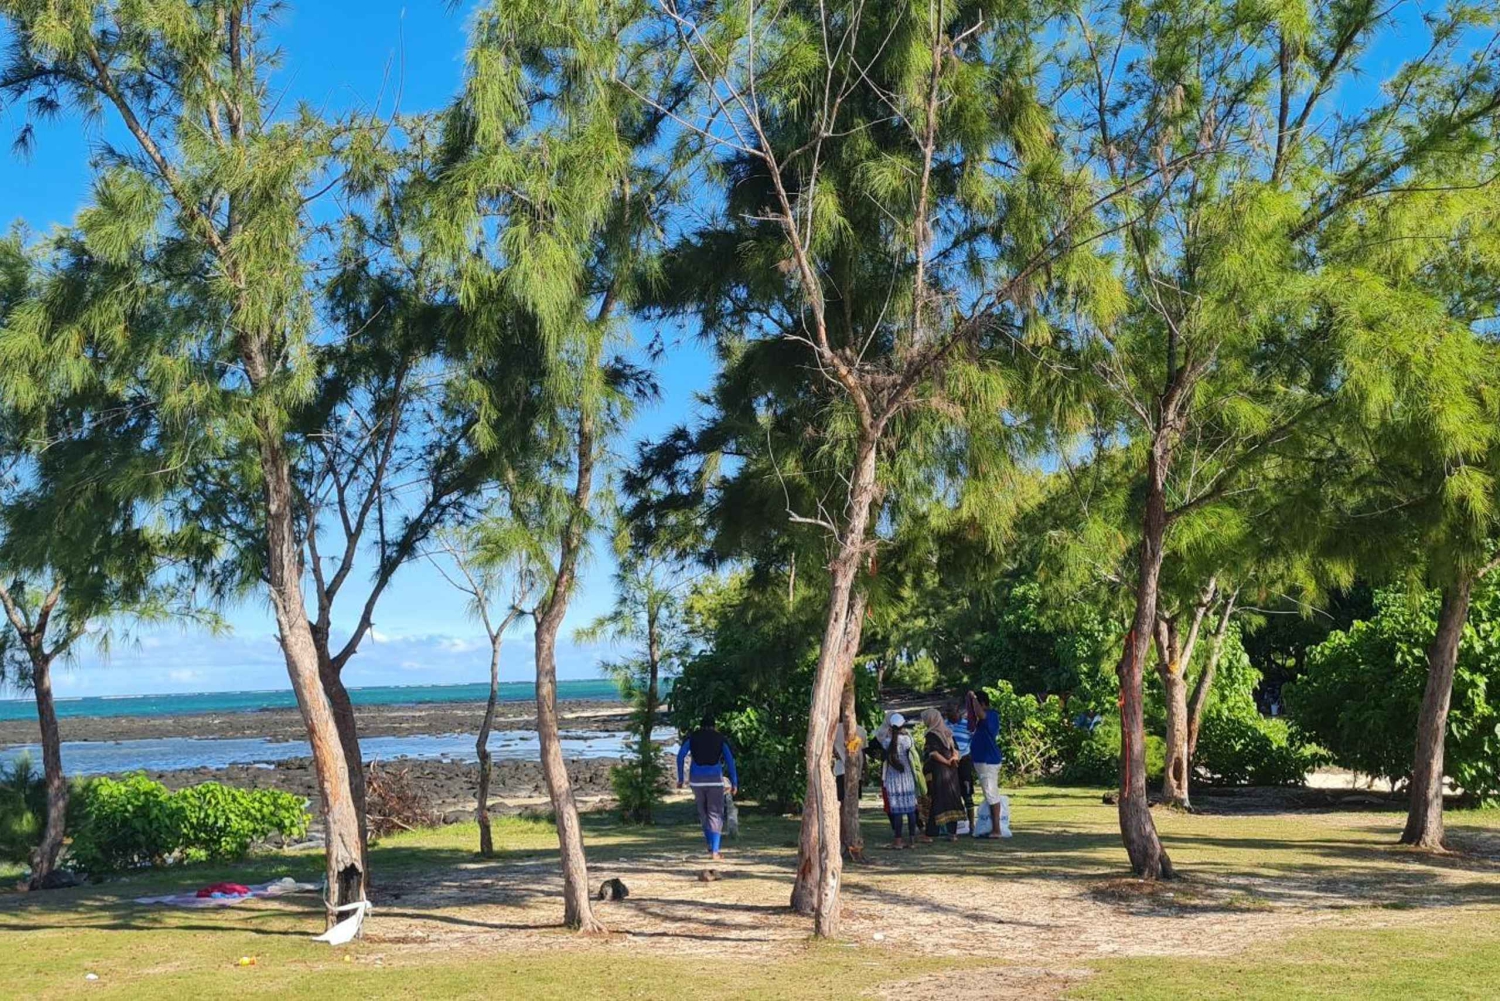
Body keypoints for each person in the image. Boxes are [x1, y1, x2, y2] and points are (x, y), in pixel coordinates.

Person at [677, 713, 739, 860]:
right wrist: (734, 782)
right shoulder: (720, 739)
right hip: (715, 781)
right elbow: (730, 761)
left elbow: (680, 756)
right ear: (714, 726)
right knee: (715, 814)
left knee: (703, 813)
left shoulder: (692, 738)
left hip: (696, 781)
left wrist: (681, 778)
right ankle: (715, 851)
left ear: (701, 725)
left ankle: (710, 845)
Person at [966, 690, 1011, 839]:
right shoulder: (981, 720)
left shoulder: (990, 715)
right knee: (989, 793)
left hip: (988, 761)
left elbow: (980, 713)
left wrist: (973, 698)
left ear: (982, 703)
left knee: (992, 794)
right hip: (982, 760)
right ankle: (993, 826)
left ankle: (997, 829)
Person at [875, 711, 922, 849]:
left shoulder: (886, 742)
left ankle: (898, 840)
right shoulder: (908, 740)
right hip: (907, 777)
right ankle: (912, 840)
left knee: (897, 811)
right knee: (911, 809)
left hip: (893, 779)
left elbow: (880, 741)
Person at [920, 709, 967, 841]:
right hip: (952, 771)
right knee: (952, 798)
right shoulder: (947, 732)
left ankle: (930, 834)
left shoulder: (931, 734)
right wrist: (953, 759)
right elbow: (956, 750)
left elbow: (933, 753)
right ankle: (953, 834)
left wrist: (946, 761)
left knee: (936, 799)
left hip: (939, 770)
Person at [942, 701, 976, 832]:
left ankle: (972, 824)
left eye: (951, 712)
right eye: (947, 713)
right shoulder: (944, 725)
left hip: (964, 761)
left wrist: (969, 755)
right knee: (951, 793)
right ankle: (953, 826)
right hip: (949, 762)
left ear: (958, 712)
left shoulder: (967, 725)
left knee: (967, 792)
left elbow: (973, 742)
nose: (949, 715)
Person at [833, 719, 868, 804]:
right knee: (853, 801)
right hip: (856, 770)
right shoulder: (861, 730)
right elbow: (863, 752)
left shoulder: (835, 729)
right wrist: (864, 769)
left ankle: (843, 817)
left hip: (841, 769)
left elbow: (833, 750)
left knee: (842, 801)